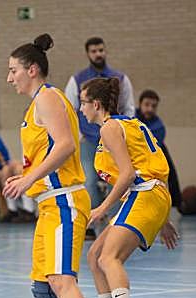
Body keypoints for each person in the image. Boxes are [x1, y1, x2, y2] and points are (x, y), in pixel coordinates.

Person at [3, 33, 100, 298]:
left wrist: (29, 179)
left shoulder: (47, 97)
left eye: (13, 70)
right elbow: (45, 154)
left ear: (32, 69)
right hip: (47, 203)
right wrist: (25, 175)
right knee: (42, 288)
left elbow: (66, 145)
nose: (9, 78)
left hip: (65, 200)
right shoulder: (35, 106)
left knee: (62, 281)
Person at [79, 78, 179, 298]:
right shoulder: (130, 124)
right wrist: (163, 218)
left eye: (83, 102)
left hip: (145, 193)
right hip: (153, 195)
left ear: (96, 104)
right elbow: (153, 166)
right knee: (95, 255)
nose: (80, 109)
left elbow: (128, 174)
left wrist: (102, 207)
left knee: (108, 257)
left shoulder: (110, 128)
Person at [65, 37, 135, 239]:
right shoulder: (77, 80)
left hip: (116, 138)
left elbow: (129, 107)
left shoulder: (120, 78)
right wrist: (79, 136)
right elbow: (70, 111)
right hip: (88, 140)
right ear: (88, 54)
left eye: (101, 50)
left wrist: (124, 132)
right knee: (87, 181)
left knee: (118, 179)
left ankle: (115, 224)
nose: (98, 54)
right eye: (94, 51)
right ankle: (90, 222)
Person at [136, 89, 181, 208]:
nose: (150, 109)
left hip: (150, 155)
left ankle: (174, 203)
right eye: (147, 105)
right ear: (139, 104)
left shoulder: (159, 127)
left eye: (154, 106)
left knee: (169, 170)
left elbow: (148, 152)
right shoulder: (130, 117)